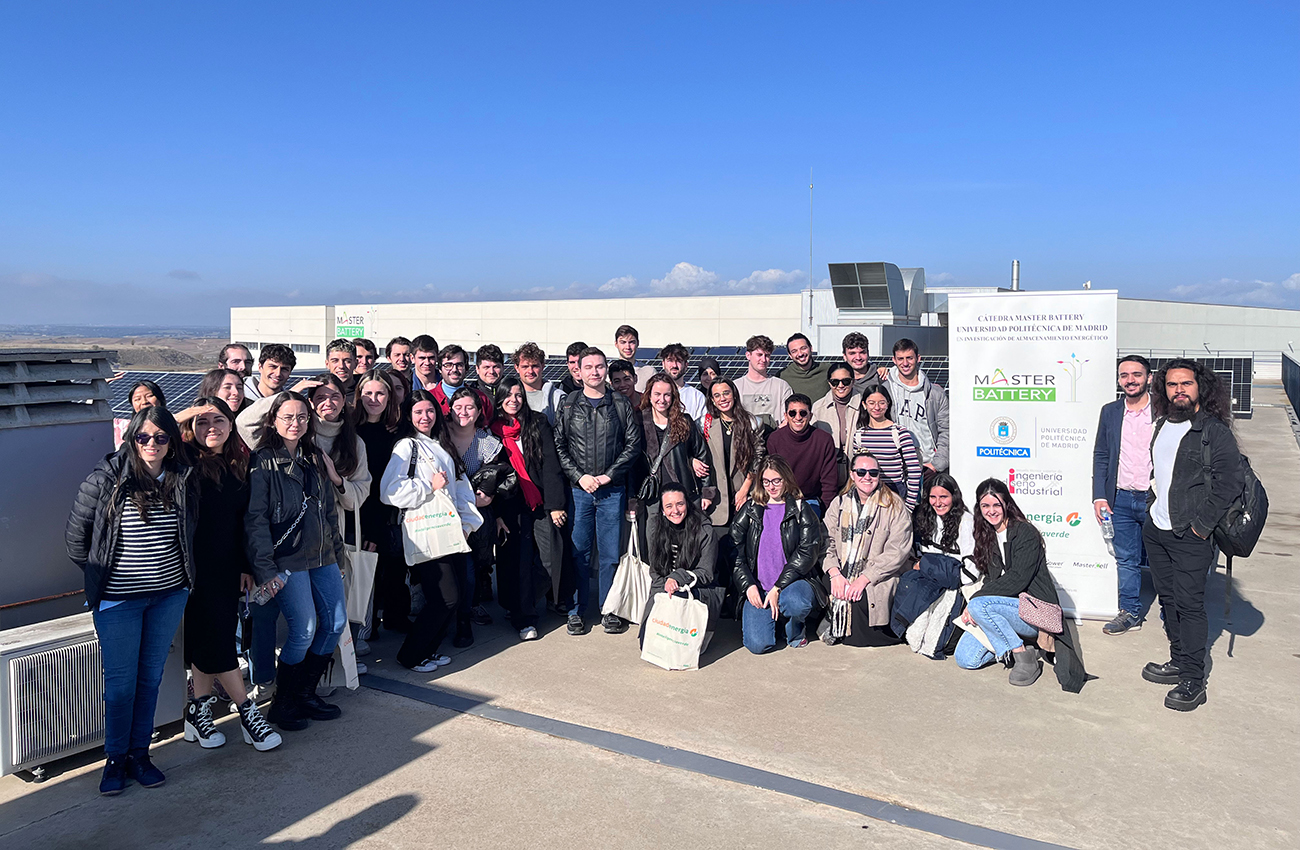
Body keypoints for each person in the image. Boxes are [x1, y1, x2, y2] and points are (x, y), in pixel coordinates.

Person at [66, 405, 196, 795]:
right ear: (132, 438)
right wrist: (104, 579)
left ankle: (141, 754)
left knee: (150, 678)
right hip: (119, 600)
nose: (151, 444)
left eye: (160, 437)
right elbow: (77, 539)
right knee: (121, 684)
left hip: (169, 595)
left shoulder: (182, 477)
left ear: (171, 442)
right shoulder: (105, 478)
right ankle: (115, 758)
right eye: (143, 437)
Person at [176, 398, 281, 752]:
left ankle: (197, 712)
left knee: (210, 638)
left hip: (227, 568)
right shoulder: (183, 461)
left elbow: (243, 523)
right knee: (217, 640)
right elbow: (142, 433)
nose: (211, 428)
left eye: (218, 420)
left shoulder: (238, 462)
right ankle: (248, 712)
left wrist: (246, 565)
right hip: (190, 570)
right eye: (202, 422)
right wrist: (186, 415)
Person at [1141, 359, 1242, 712]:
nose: (1179, 390)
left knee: (1189, 605)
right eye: (1172, 385)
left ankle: (1193, 680)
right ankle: (1179, 661)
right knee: (1168, 601)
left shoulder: (1213, 431)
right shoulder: (1162, 425)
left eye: (1186, 384)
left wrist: (1201, 526)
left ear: (1200, 387)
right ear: (1163, 389)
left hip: (1190, 534)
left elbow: (1231, 482)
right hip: (1158, 529)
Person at [244, 391, 348, 731]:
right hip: (287, 559)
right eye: (287, 417)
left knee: (334, 623)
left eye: (301, 417)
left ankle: (305, 693)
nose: (295, 423)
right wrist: (265, 569)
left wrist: (337, 551)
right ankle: (282, 701)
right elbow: (256, 519)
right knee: (303, 629)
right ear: (273, 420)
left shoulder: (313, 456)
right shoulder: (263, 460)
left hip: (322, 554)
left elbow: (328, 509)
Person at [381, 390, 483, 671]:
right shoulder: (406, 447)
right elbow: (389, 491)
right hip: (426, 531)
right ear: (408, 416)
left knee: (456, 596)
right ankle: (411, 655)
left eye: (429, 411)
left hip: (451, 531)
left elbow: (460, 487)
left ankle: (428, 650)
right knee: (445, 597)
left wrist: (467, 523)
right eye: (418, 412)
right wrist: (429, 486)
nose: (425, 417)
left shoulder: (442, 443)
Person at [955, 479, 1087, 692]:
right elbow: (991, 579)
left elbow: (1018, 579)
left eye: (996, 505)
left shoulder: (1025, 533)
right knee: (966, 659)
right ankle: (1018, 643)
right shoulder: (987, 535)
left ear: (1007, 503)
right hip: (1002, 611)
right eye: (985, 506)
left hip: (1033, 611)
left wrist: (975, 601)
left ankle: (1022, 656)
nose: (991, 511)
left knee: (980, 605)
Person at [553, 346, 643, 635]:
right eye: (588, 367)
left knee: (609, 555)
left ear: (606, 369)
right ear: (578, 371)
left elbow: (633, 445)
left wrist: (607, 477)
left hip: (611, 491)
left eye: (599, 367)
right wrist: (580, 477)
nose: (594, 372)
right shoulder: (568, 404)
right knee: (579, 551)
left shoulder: (620, 404)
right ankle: (576, 610)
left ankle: (609, 608)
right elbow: (560, 446)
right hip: (579, 491)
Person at [491, 377, 568, 640]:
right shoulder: (492, 430)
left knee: (549, 560)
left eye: (518, 395)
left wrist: (556, 505)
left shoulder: (537, 422)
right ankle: (525, 617)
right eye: (508, 395)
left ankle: (518, 602)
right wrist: (498, 514)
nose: (514, 400)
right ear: (499, 398)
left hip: (542, 502)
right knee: (519, 563)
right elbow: (492, 476)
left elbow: (551, 466)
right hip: (511, 506)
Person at [818, 451, 913, 647]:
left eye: (873, 472)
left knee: (861, 605)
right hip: (843, 567)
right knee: (828, 587)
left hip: (879, 573)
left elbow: (898, 551)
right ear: (852, 475)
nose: (867, 477)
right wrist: (834, 573)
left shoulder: (894, 505)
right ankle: (834, 619)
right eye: (861, 472)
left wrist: (865, 578)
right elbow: (825, 540)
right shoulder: (840, 503)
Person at [730, 457, 821, 654]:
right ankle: (774, 621)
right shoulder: (751, 508)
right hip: (759, 586)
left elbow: (807, 552)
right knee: (757, 645)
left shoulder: (800, 509)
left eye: (777, 480)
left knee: (796, 603)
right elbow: (733, 550)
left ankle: (794, 630)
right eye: (766, 481)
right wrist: (748, 586)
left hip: (790, 585)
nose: (771, 486)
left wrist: (778, 588)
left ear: (786, 479)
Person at [1091, 354, 1154, 635]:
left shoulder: (1165, 413)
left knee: (1165, 559)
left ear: (1149, 378)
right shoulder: (1111, 411)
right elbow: (1102, 454)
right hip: (1121, 499)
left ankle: (1174, 612)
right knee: (1126, 559)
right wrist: (1099, 495)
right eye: (1124, 375)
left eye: (1136, 374)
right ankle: (1130, 612)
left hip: (1156, 500)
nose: (1130, 380)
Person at [446, 386, 514, 645]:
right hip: (442, 511)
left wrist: (492, 502)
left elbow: (497, 480)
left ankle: (465, 616)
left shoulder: (488, 442)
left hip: (475, 514)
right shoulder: (439, 436)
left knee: (470, 568)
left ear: (479, 412)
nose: (463, 412)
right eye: (458, 407)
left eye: (469, 407)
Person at [896, 474, 976, 658]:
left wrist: (938, 571)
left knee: (939, 640)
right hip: (930, 578)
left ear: (954, 497)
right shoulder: (926, 517)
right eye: (933, 497)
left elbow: (970, 572)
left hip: (957, 584)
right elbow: (921, 556)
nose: (938, 502)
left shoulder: (966, 522)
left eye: (944, 497)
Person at [352, 370, 407, 635]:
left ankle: (390, 620)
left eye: (380, 393)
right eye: (368, 393)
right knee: (363, 576)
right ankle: (363, 629)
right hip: (359, 516)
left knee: (392, 572)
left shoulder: (397, 433)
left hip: (389, 513)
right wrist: (370, 527)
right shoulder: (350, 431)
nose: (374, 399)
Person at [639, 485, 720, 646]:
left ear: (687, 504)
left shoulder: (704, 530)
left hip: (698, 588)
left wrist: (677, 579)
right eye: (668, 506)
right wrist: (666, 588)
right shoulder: (654, 526)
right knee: (647, 643)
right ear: (662, 509)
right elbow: (655, 571)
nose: (675, 510)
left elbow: (706, 573)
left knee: (680, 645)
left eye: (680, 504)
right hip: (663, 587)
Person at [634, 374, 716, 526]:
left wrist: (707, 492)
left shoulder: (684, 421)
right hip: (652, 495)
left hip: (681, 492)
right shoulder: (638, 421)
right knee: (654, 542)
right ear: (649, 396)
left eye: (667, 395)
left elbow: (702, 454)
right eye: (657, 394)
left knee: (685, 542)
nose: (662, 400)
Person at [876, 339, 949, 479]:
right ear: (894, 360)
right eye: (900, 359)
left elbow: (946, 431)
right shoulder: (885, 390)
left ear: (918, 358)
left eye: (909, 358)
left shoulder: (935, 393)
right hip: (895, 468)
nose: (905, 363)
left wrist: (936, 465)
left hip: (928, 467)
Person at [849, 386, 923, 509]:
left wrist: (909, 505)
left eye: (881, 403)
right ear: (864, 405)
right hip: (868, 493)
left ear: (888, 404)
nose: (876, 407)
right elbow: (857, 470)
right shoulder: (860, 435)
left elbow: (914, 471)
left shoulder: (900, 433)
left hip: (895, 493)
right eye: (871, 403)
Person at [766, 394, 838, 512]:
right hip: (782, 499)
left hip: (811, 500)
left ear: (810, 416)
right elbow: (771, 477)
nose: (798, 417)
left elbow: (829, 482)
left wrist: (825, 511)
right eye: (792, 413)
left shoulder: (824, 440)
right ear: (786, 416)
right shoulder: (775, 439)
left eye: (803, 413)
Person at [811, 362, 862, 486]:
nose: (840, 385)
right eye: (835, 382)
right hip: (828, 475)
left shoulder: (864, 405)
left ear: (853, 381)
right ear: (829, 383)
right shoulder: (818, 408)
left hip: (859, 474)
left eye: (845, 381)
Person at [735, 334, 792, 429]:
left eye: (767, 355)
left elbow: (788, 418)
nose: (764, 359)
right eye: (759, 355)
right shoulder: (735, 387)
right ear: (748, 355)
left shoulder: (781, 386)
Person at [433, 344, 493, 421]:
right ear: (440, 369)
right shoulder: (429, 398)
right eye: (448, 365)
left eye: (459, 365)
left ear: (466, 368)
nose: (454, 369)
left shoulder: (482, 399)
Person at [513, 341, 563, 425]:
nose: (530, 371)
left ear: (543, 366)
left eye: (535, 366)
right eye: (525, 367)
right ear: (516, 368)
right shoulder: (508, 397)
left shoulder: (558, 398)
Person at [657, 343, 707, 424]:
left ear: (686, 365)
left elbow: (702, 429)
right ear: (663, 364)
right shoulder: (653, 395)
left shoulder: (697, 397)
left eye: (679, 361)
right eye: (670, 360)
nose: (674, 365)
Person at [776, 333, 828, 401]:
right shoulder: (782, 376)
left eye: (803, 348)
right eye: (794, 351)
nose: (800, 354)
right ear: (790, 355)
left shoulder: (828, 370)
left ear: (811, 348)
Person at [614, 324, 657, 391]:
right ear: (616, 344)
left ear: (638, 343)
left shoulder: (649, 372)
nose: (627, 347)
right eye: (623, 342)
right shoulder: (607, 372)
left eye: (631, 342)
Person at [841, 332, 882, 397]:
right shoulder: (837, 380)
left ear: (868, 353)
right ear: (844, 356)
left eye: (862, 352)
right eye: (852, 353)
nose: (858, 358)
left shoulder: (881, 378)